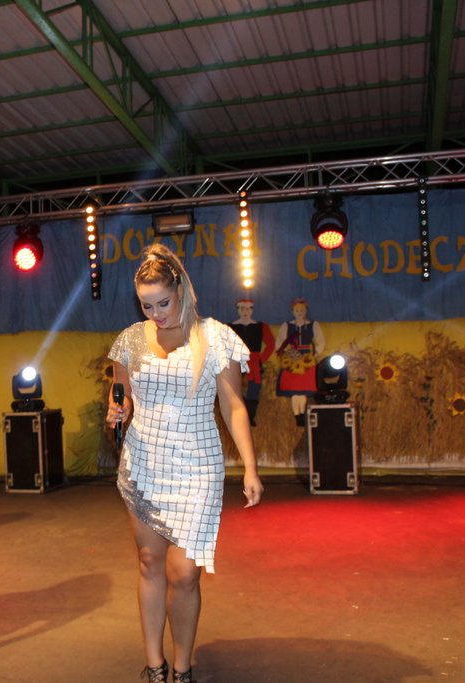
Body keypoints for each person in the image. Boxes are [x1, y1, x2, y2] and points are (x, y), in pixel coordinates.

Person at [107, 244, 263, 683]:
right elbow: (121, 398)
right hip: (144, 464)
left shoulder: (215, 338)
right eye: (146, 305)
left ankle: (183, 666)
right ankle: (155, 665)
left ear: (181, 290)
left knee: (185, 574)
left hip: (197, 468)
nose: (156, 313)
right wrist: (117, 411)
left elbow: (233, 407)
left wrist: (250, 467)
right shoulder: (130, 340)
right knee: (149, 563)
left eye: (164, 303)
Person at [275, 297, 326, 426]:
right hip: (292, 360)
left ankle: (302, 414)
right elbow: (279, 343)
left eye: (302, 310)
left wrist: (314, 355)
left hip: (306, 360)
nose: (299, 312)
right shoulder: (287, 325)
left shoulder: (313, 325)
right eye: (297, 310)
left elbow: (321, 341)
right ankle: (297, 415)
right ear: (293, 311)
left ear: (306, 311)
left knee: (303, 390)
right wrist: (288, 354)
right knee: (294, 391)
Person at [228, 298, 275, 426]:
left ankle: (250, 416)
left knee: (254, 390)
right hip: (237, 362)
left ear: (252, 310)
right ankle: (240, 416)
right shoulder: (230, 327)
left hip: (254, 363)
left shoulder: (261, 327)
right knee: (236, 389)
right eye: (242, 309)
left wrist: (261, 358)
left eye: (248, 309)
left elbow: (270, 344)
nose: (245, 311)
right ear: (238, 310)